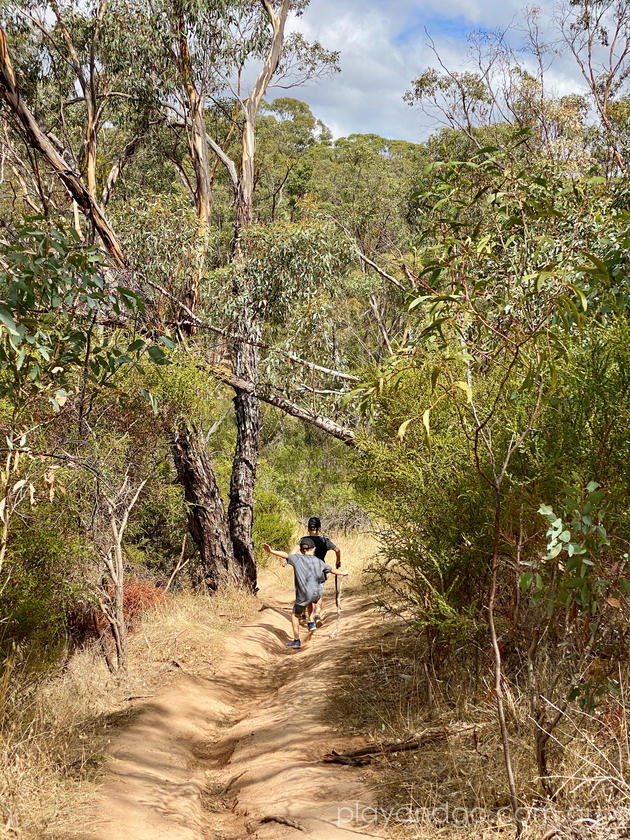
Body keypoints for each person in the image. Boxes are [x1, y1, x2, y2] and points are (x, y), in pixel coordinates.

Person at [263, 536, 348, 649]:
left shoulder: (297, 558)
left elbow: (285, 555)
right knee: (310, 602)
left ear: (302, 550)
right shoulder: (319, 561)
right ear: (314, 549)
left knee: (295, 614)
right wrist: (343, 573)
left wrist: (271, 551)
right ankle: (311, 621)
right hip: (316, 595)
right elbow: (332, 570)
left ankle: (296, 640)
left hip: (303, 595)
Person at [300, 516, 341, 627]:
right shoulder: (324, 541)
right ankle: (317, 615)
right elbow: (337, 550)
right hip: (320, 570)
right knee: (319, 595)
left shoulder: (304, 540)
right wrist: (338, 561)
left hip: (306, 570)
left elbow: (295, 553)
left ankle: (305, 616)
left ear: (308, 528)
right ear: (320, 529)